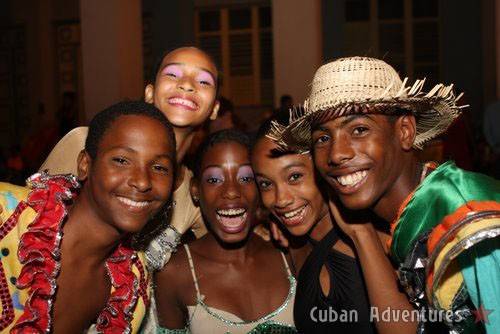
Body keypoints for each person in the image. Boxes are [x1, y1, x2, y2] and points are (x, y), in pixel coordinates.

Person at [270, 56, 500, 333]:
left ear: (404, 131)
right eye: (323, 138)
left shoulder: (463, 214)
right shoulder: (407, 215)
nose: (336, 153)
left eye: (359, 129)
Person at [0, 100, 176, 333]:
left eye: (159, 168)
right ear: (85, 164)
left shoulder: (132, 284)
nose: (142, 181)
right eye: (122, 160)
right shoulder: (6, 213)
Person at [39, 46, 221, 270]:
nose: (187, 84)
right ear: (150, 93)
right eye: (172, 74)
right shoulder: (86, 144)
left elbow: (224, 253)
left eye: (204, 81)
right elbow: (23, 225)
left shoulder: (194, 194)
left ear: (214, 108)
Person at [154, 129, 296, 333]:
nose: (231, 191)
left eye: (246, 178)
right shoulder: (174, 274)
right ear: (195, 190)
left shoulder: (289, 254)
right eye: (214, 180)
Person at [251, 114, 376, 333]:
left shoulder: (366, 240)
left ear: (321, 167)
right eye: (266, 184)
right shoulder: (300, 244)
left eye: (295, 176)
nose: (281, 199)